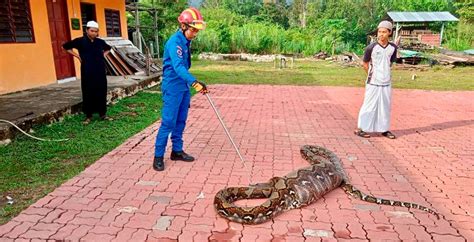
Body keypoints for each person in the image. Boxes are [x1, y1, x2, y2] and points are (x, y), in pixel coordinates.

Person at [153, 7, 209, 171]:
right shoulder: (174, 42)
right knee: (168, 122)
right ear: (184, 26)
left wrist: (191, 82)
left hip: (183, 86)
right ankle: (158, 157)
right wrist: (195, 83)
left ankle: (177, 151)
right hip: (172, 87)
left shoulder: (186, 41)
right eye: (193, 30)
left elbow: (185, 67)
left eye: (197, 31)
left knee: (181, 121)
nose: (195, 34)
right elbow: (178, 67)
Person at [355, 20, 398, 139]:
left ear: (389, 33)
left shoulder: (393, 48)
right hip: (373, 82)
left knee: (385, 106)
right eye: (379, 32)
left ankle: (384, 129)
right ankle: (361, 128)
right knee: (369, 105)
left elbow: (390, 63)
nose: (381, 34)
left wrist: (386, 74)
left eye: (384, 32)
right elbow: (365, 63)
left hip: (386, 82)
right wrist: (371, 74)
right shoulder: (371, 47)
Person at [63, 21, 112, 125]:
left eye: (96, 31)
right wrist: (77, 56)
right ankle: (88, 116)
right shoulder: (80, 41)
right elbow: (66, 47)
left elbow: (108, 49)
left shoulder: (100, 42)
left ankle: (103, 114)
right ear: (87, 30)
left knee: (101, 90)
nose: (94, 33)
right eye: (92, 31)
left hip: (99, 70)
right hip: (87, 70)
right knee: (88, 91)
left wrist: (103, 55)